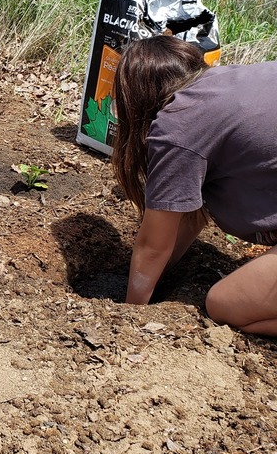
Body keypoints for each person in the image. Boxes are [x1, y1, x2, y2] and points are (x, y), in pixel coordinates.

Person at [112, 35, 277, 337]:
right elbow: (189, 216)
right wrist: (160, 276)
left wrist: (129, 315)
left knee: (224, 304)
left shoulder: (177, 125)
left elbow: (152, 248)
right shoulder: (225, 84)